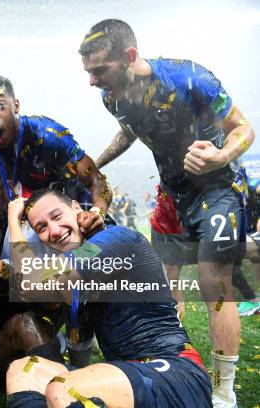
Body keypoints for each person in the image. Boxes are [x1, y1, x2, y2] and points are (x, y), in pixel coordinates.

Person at [79, 18, 255, 407]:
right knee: (162, 282)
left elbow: (244, 128)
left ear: (129, 56)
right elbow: (131, 130)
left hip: (218, 188)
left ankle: (224, 392)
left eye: (99, 71)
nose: (92, 81)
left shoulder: (190, 78)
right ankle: (173, 362)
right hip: (171, 194)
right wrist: (99, 161)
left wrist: (221, 155)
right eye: (88, 73)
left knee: (214, 280)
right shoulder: (112, 97)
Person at [5, 189, 211, 408]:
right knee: (24, 370)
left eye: (57, 216)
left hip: (176, 374)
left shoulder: (113, 238)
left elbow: (30, 279)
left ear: (76, 208)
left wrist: (13, 219)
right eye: (42, 228)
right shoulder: (75, 283)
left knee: (63, 387)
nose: (54, 231)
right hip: (127, 380)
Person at [0, 75, 110, 227]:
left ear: (16, 106)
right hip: (34, 215)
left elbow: (98, 181)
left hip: (76, 207)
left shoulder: (49, 136)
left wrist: (97, 212)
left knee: (98, 244)